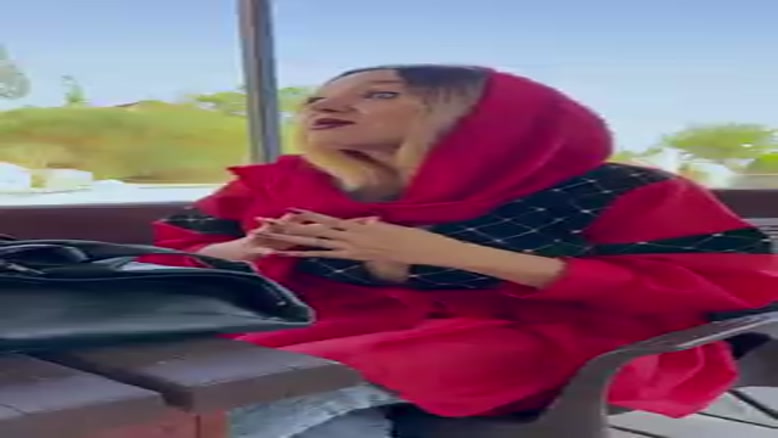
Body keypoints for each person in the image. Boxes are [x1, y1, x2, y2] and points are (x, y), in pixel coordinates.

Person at [152, 65, 778, 437]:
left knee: (261, 393)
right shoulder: (282, 185)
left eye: (379, 93)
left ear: (479, 112)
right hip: (325, 322)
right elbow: (180, 256)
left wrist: (448, 253)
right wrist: (247, 248)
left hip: (545, 333)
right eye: (320, 97)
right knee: (178, 379)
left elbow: (735, 285)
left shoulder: (618, 188)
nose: (327, 104)